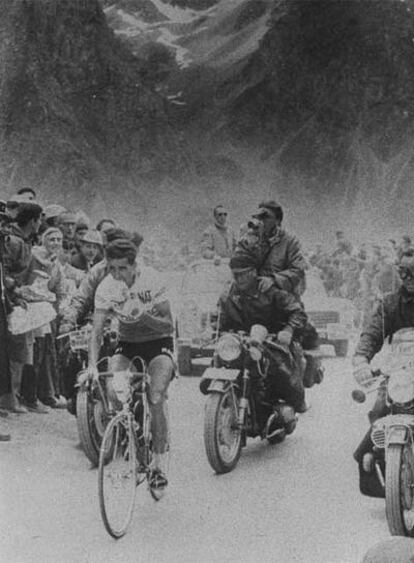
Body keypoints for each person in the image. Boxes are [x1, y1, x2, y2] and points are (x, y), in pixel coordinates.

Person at [88, 239, 175, 488]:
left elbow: (168, 323)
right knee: (113, 389)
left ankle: (158, 464)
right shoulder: (107, 286)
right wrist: (93, 366)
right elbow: (96, 331)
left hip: (158, 343)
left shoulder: (153, 279)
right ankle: (134, 433)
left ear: (134, 265)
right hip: (128, 343)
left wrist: (142, 315)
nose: (117, 274)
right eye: (111, 268)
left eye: (122, 269)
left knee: (156, 397)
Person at [352, 252, 414, 495]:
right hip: (400, 372)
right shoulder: (390, 304)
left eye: (413, 273)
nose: (409, 279)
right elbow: (373, 332)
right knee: (379, 410)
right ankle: (375, 456)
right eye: (405, 273)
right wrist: (361, 360)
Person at [218, 252, 308, 413]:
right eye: (235, 275)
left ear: (253, 272)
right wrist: (216, 332)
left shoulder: (271, 291)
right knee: (219, 358)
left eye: (242, 274)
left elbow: (298, 312)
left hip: (272, 340)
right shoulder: (228, 296)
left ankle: (296, 401)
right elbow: (222, 322)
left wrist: (288, 330)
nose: (238, 279)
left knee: (282, 372)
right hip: (241, 341)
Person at [0, 202, 43, 413]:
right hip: (7, 299)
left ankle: (13, 397)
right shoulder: (14, 242)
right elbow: (5, 273)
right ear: (33, 221)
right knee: (16, 349)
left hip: (14, 297)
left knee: (23, 347)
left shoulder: (24, 241)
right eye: (39, 220)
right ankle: (11, 398)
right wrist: (16, 293)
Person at [239, 200, 307, 298]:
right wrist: (250, 245)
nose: (261, 221)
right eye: (258, 217)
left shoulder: (290, 241)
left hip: (281, 295)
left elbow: (298, 271)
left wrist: (273, 280)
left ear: (278, 220)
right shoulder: (251, 238)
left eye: (266, 217)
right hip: (256, 297)